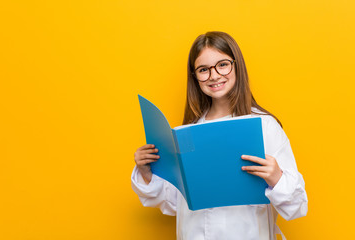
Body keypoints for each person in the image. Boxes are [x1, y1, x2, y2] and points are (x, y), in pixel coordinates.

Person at [131, 31, 308, 240]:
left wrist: (277, 178)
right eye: (203, 70)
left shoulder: (265, 126)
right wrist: (147, 172)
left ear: (236, 65)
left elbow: (297, 206)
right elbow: (173, 203)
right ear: (195, 77)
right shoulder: (188, 133)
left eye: (222, 64)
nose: (214, 75)